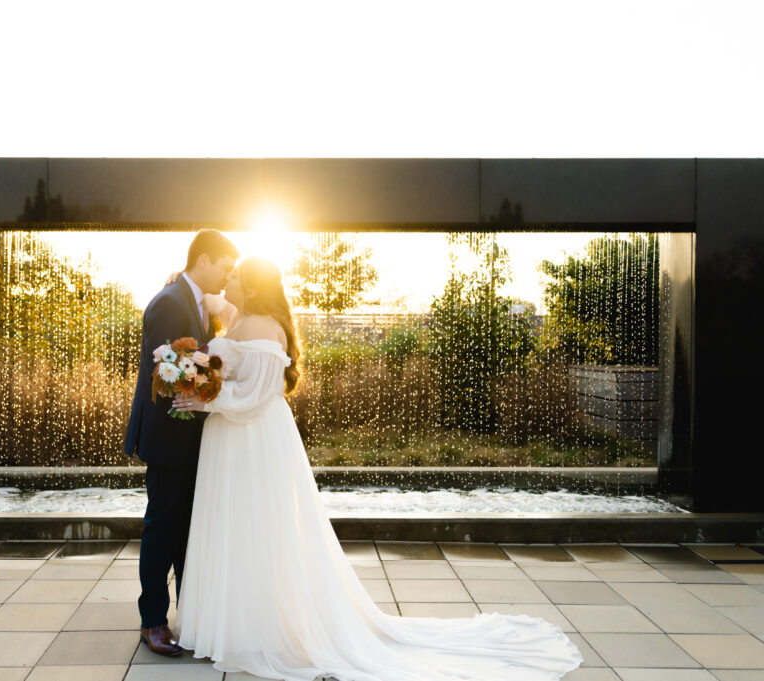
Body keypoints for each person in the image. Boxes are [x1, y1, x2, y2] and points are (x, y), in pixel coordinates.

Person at [171, 256, 583, 681]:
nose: (229, 278)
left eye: (236, 275)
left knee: (257, 528)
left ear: (252, 288)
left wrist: (206, 399)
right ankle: (232, 621)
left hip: (251, 438)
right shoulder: (241, 315)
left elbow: (257, 393)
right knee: (236, 526)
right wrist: (194, 311)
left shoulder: (261, 326)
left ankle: (257, 628)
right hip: (233, 439)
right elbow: (219, 307)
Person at [124, 228, 239, 656]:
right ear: (204, 260)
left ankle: (190, 615)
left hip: (189, 437)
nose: (228, 278)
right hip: (171, 436)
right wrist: (210, 386)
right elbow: (166, 372)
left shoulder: (192, 300)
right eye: (225, 268)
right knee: (163, 529)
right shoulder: (171, 302)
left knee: (187, 529)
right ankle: (152, 621)